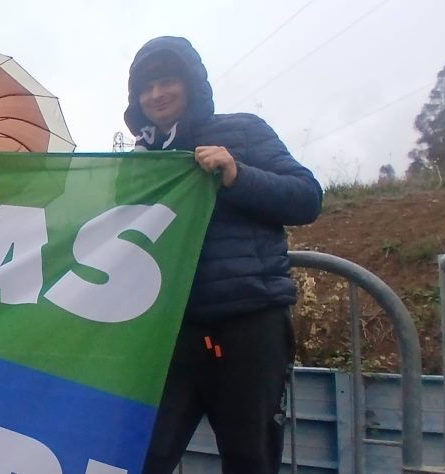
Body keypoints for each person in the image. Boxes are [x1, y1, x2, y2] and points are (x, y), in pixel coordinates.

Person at [123, 37, 323, 473]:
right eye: (145, 87)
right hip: (168, 334)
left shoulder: (243, 131)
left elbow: (307, 198)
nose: (156, 95)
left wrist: (238, 175)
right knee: (143, 456)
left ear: (191, 84)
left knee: (249, 457)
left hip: (249, 326)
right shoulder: (136, 160)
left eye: (167, 81)